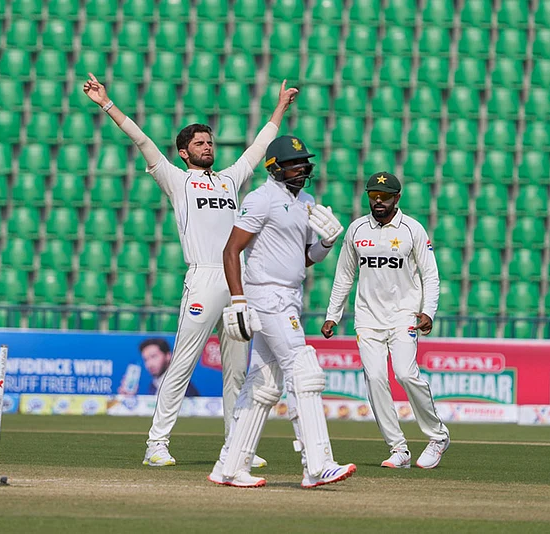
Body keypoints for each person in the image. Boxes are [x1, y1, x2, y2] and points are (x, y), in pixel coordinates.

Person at [83, 73, 298, 467]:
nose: (207, 147)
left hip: (238, 281)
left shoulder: (231, 180)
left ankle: (237, 445)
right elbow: (143, 141)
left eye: (210, 142)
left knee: (236, 369)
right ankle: (156, 444)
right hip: (203, 279)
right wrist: (106, 104)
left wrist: (280, 107)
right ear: (184, 152)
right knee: (182, 363)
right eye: (199, 143)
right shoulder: (178, 181)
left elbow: (258, 147)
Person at [208, 134, 356, 488]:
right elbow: (231, 251)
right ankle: (318, 465)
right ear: (275, 168)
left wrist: (325, 244)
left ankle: (229, 468)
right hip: (265, 294)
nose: (302, 168)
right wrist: (239, 299)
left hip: (290, 295)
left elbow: (301, 257)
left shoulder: (306, 200)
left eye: (304, 162)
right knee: (302, 368)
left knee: (264, 383)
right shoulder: (260, 199)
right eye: (294, 163)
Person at [321, 172, 450, 469]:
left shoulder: (412, 229)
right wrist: (332, 315)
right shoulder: (356, 230)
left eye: (385, 196)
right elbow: (344, 276)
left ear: (397, 198)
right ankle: (399, 448)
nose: (378, 202)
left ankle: (437, 436)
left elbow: (430, 274)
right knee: (376, 378)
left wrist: (428, 310)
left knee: (405, 374)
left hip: (403, 314)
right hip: (367, 317)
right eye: (373, 196)